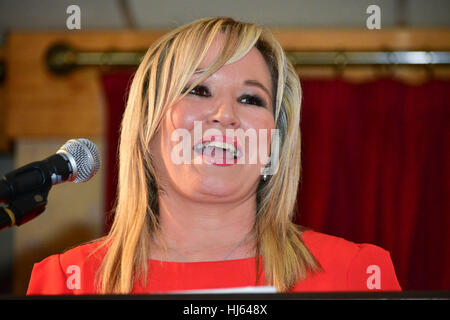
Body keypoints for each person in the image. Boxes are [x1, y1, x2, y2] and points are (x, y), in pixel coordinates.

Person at [27, 17, 401, 295]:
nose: (224, 115)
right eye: (197, 90)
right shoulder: (66, 281)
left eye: (250, 99)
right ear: (147, 131)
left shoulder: (359, 275)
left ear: (273, 145)